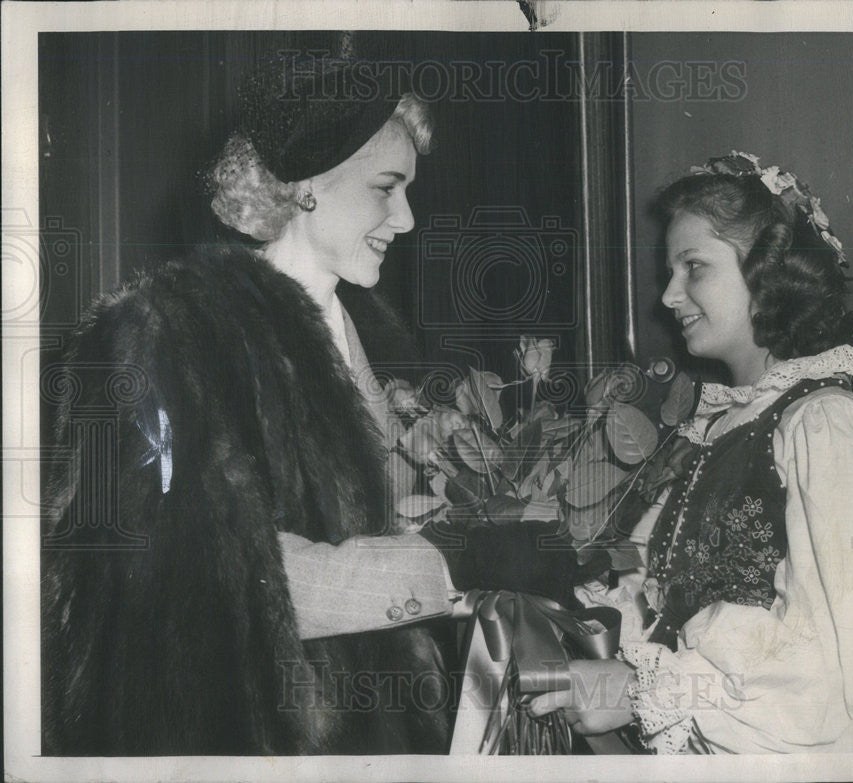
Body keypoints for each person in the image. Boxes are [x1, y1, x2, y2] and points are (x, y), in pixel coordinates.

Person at [41, 44, 578, 756]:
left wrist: (493, 522)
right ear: (306, 185)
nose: (409, 218)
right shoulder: (173, 332)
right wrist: (454, 559)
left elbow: (357, 519)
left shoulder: (344, 326)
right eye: (387, 187)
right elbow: (227, 573)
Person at [528, 152, 853, 754]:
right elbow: (671, 602)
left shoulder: (825, 422)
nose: (670, 296)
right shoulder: (724, 421)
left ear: (770, 274)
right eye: (670, 272)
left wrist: (638, 691)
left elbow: (841, 679)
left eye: (694, 267)